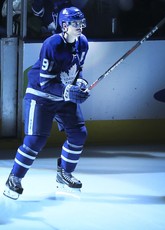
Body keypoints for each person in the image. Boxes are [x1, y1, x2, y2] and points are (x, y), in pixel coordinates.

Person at [3, 6, 90, 200]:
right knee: (35, 140)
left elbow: (77, 70)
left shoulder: (82, 43)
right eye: (75, 23)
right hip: (41, 96)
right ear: (64, 26)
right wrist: (68, 90)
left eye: (81, 22)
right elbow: (46, 82)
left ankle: (64, 174)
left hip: (63, 97)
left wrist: (81, 83)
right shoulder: (52, 44)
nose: (80, 27)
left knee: (78, 134)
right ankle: (14, 179)